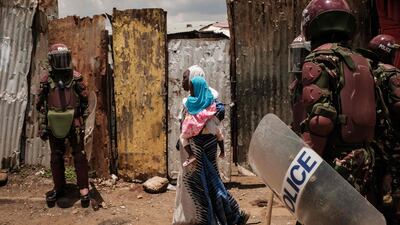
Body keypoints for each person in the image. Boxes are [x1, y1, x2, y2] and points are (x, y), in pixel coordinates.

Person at [299, 0, 376, 195]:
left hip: (335, 163)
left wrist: (304, 169)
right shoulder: (363, 60)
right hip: (365, 158)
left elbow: (320, 121)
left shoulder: (318, 58)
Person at [173, 66, 249, 225]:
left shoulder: (210, 101)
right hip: (191, 148)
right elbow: (184, 126)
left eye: (186, 78)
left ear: (195, 79)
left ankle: (219, 218)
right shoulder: (190, 100)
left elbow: (215, 122)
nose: (183, 81)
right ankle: (206, 218)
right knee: (201, 185)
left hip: (200, 148)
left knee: (206, 185)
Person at [36, 43, 90, 208]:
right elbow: (40, 106)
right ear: (52, 60)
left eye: (63, 58)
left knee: (79, 156)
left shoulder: (76, 78)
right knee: (55, 156)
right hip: (54, 122)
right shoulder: (46, 81)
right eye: (58, 59)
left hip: (74, 122)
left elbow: (85, 99)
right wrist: (43, 126)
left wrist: (82, 116)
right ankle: (59, 187)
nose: (61, 62)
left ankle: (83, 189)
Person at [358, 34, 400, 224]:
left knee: (374, 181)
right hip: (391, 140)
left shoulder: (365, 72)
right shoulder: (393, 75)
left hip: (369, 138)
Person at [288, 34, 310, 134]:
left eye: (302, 55)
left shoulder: (317, 87)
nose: (298, 62)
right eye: (296, 55)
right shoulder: (294, 88)